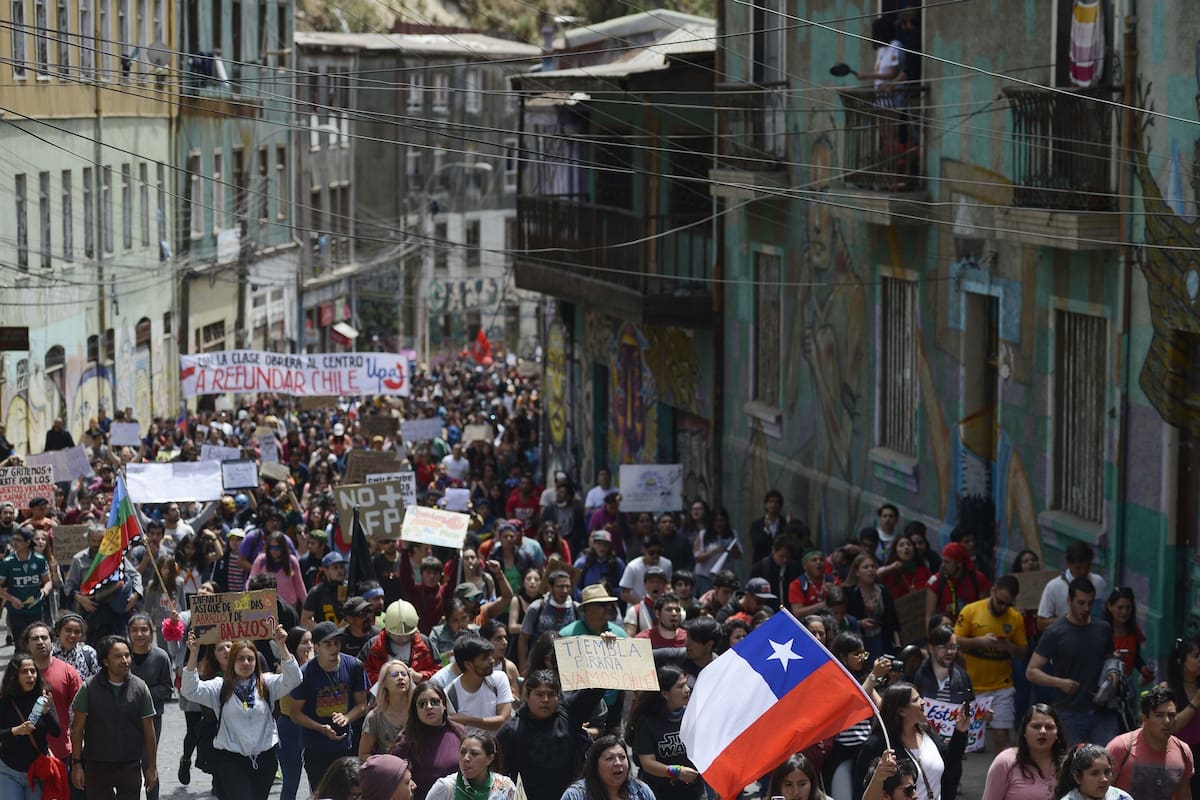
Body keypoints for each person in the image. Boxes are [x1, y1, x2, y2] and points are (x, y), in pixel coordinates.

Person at [182, 626, 302, 800]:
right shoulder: (219, 686)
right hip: (232, 760)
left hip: (265, 759)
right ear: (232, 662)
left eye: (250, 659)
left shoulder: (266, 683)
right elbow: (190, 690)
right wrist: (193, 653)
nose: (246, 663)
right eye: (240, 659)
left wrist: (282, 646)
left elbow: (295, 679)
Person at [1027, 578, 1120, 747]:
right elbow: (1032, 671)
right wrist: (1059, 683)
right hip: (1069, 712)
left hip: (1103, 712)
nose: (1086, 608)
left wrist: (1113, 671)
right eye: (1081, 603)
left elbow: (1109, 658)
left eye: (1090, 603)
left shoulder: (1103, 629)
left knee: (1106, 763)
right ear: (1069, 601)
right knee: (1074, 766)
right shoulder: (1055, 632)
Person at [69, 635, 158, 800]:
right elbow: (77, 729)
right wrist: (76, 764)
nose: (124, 660)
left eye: (127, 655)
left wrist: (151, 767)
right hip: (97, 766)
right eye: (118, 656)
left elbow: (149, 730)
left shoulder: (140, 687)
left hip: (130, 764)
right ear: (105, 661)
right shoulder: (88, 688)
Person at [495, 669, 604, 800]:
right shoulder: (511, 731)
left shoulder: (570, 714)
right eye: (539, 694)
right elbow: (500, 776)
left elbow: (595, 690)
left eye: (551, 694)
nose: (545, 700)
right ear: (527, 696)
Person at [288, 620, 370, 788]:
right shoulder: (305, 674)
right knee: (323, 793)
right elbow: (295, 713)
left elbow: (362, 705)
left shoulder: (354, 666)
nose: (334, 648)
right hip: (316, 747)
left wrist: (347, 718)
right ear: (316, 647)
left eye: (336, 643)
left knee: (350, 793)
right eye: (327, 644)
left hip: (347, 745)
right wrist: (321, 728)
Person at [853, 683, 968, 800]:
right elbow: (861, 792)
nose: (923, 701)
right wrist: (878, 776)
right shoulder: (876, 746)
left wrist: (960, 732)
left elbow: (951, 764)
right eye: (916, 700)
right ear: (901, 711)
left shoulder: (928, 733)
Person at [955, 574, 1027, 751]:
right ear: (992, 591)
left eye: (1008, 604)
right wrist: (981, 641)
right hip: (972, 687)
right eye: (1000, 601)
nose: (1003, 607)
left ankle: (1007, 774)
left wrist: (1009, 646)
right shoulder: (971, 611)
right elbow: (955, 641)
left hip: (1002, 687)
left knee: (1002, 736)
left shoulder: (1015, 618)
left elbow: (1023, 651)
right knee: (970, 744)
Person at [1106, 686, 1195, 800]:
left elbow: (1184, 795)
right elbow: (1102, 791)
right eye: (1159, 715)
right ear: (1144, 718)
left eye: (1171, 715)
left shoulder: (1183, 751)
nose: (1167, 721)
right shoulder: (1121, 747)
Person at [628, 665, 702, 800]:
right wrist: (676, 771)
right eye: (680, 686)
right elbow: (648, 763)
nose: (687, 690)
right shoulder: (648, 722)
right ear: (665, 694)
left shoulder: (693, 715)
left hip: (694, 791)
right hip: (660, 793)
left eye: (686, 685)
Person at [0, 651, 61, 800]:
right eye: (24, 672)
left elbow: (57, 732)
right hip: (9, 771)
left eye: (33, 671)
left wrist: (47, 713)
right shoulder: (4, 701)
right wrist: (15, 731)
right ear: (15, 676)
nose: (30, 675)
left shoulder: (43, 697)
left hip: (37, 772)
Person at [390, 683, 467, 800]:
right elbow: (394, 781)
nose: (429, 707)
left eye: (435, 702)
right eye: (422, 704)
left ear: (444, 705)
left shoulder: (460, 731)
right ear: (415, 710)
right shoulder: (406, 742)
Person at [19, 622, 80, 770]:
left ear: (51, 642)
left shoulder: (68, 672)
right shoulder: (17, 675)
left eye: (44, 637)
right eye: (34, 638)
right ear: (27, 644)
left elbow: (82, 711)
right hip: (27, 754)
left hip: (62, 751)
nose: (40, 642)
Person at [127, 613, 173, 800]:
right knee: (127, 763)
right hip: (124, 717)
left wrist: (142, 695)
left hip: (152, 717)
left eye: (143, 629)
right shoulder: (122, 654)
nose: (139, 634)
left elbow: (167, 689)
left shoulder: (160, 656)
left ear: (151, 632)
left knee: (149, 762)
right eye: (135, 630)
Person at [982, 703, 1067, 800]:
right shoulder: (1005, 762)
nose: (1043, 731)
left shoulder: (1068, 765)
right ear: (1024, 732)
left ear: (1057, 734)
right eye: (1036, 726)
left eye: (1049, 727)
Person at [445, 635, 513, 734]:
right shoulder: (450, 694)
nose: (492, 661)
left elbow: (504, 720)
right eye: (485, 658)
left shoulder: (499, 679)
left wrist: (467, 720)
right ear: (468, 664)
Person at [362, 600, 439, 686]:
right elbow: (361, 673)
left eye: (408, 635)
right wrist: (384, 678)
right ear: (387, 631)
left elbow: (438, 671)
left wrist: (420, 676)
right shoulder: (374, 646)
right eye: (398, 636)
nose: (403, 638)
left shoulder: (424, 643)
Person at [1037, 541, 1108, 633]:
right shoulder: (1053, 587)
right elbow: (1041, 623)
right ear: (1068, 564)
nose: (1082, 572)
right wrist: (1068, 620)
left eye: (1086, 568)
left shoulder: (1099, 582)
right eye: (1078, 568)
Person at [0, 526, 52, 647]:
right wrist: (12, 599)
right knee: (20, 644)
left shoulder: (39, 560)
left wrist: (45, 590)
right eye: (14, 539)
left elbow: (48, 581)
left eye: (19, 540)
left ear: (28, 542)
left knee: (36, 642)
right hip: (16, 610)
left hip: (36, 608)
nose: (15, 543)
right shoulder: (7, 562)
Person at [424, 732, 515, 800]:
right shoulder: (445, 787)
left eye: (474, 754)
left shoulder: (505, 786)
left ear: (489, 759)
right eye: (462, 752)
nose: (466, 758)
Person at [843, 553, 900, 661]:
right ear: (857, 572)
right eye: (866, 567)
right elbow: (842, 617)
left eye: (873, 566)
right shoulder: (849, 593)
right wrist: (859, 623)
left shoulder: (883, 591)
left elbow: (893, 620)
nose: (870, 570)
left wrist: (898, 645)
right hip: (859, 641)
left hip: (882, 640)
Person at [518, 570, 578, 672]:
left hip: (567, 666)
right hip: (539, 666)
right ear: (550, 588)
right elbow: (523, 638)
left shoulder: (576, 608)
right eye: (560, 586)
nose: (565, 590)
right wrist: (523, 667)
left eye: (568, 586)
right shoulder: (537, 607)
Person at [560, 736, 655, 800]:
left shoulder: (641, 791)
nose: (618, 763)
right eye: (610, 758)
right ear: (595, 765)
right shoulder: (575, 795)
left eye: (622, 757)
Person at [277, 626, 312, 800]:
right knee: (291, 781)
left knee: (319, 780)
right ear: (293, 645)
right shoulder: (283, 669)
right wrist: (309, 666)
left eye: (311, 641)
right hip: (290, 727)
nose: (310, 646)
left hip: (313, 726)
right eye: (304, 642)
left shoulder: (316, 665)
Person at [360, 659, 414, 758]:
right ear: (384, 683)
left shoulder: (418, 712)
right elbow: (363, 754)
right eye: (394, 675)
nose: (400, 678)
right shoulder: (374, 718)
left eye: (404, 674)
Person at [912, 625, 974, 708]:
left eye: (953, 647)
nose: (949, 652)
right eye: (943, 647)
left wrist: (982, 715)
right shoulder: (917, 674)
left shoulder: (962, 677)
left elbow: (970, 709)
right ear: (931, 649)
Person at [926, 542, 991, 621]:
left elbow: (984, 612)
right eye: (942, 561)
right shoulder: (935, 582)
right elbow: (929, 617)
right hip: (945, 629)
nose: (942, 565)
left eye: (947, 562)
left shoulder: (978, 579)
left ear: (959, 563)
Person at [249, 531, 307, 612]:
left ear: (283, 547)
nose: (273, 551)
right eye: (271, 547)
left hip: (289, 606)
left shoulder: (292, 561)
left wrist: (307, 606)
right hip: (266, 606)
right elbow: (250, 582)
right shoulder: (261, 560)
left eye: (277, 548)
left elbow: (299, 585)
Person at [1054, 744, 1133, 800]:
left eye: (1107, 771)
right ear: (1077, 777)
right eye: (1094, 773)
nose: (1104, 779)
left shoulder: (1122, 797)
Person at [618, 536, 673, 608]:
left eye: (658, 552)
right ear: (643, 550)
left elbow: (668, 584)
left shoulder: (667, 564)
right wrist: (643, 607)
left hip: (661, 609)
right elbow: (624, 593)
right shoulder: (633, 567)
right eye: (651, 552)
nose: (655, 555)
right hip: (636, 610)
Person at [749, 490, 784, 564]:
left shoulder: (785, 524)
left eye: (776, 502)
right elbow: (756, 544)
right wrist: (766, 530)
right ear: (766, 504)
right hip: (761, 564)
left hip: (780, 564)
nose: (773, 505)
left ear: (780, 505)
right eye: (770, 502)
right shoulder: (757, 524)